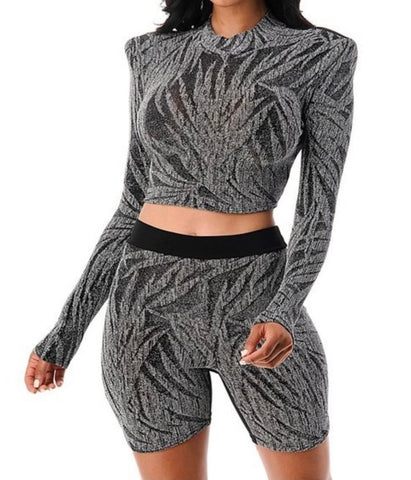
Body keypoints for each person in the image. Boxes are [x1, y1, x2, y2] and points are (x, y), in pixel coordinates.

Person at [24, 1, 358, 478]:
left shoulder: (320, 54)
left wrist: (284, 308)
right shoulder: (151, 53)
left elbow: (318, 207)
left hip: (257, 297)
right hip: (144, 306)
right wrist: (65, 333)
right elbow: (132, 202)